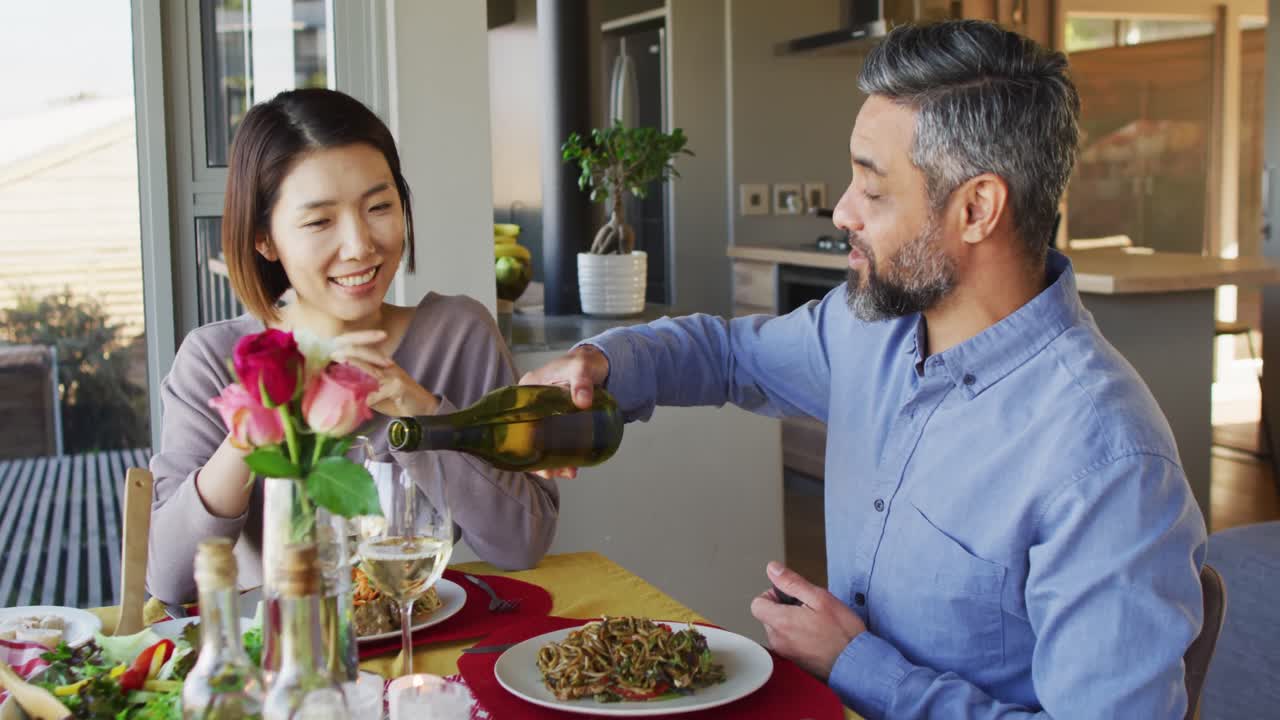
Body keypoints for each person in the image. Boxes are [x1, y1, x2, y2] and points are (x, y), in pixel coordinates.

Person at [521, 20, 1206, 719]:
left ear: (976, 208)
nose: (842, 211)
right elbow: (729, 355)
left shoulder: (1107, 463)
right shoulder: (868, 331)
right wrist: (601, 361)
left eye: (872, 190)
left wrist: (858, 666)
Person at [147, 89, 559, 603]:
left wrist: (421, 410)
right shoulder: (214, 360)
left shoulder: (458, 335)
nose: (361, 244)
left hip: (424, 656)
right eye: (320, 221)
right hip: (284, 663)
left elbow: (523, 542)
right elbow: (169, 579)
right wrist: (255, 429)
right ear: (264, 239)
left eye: (380, 206)